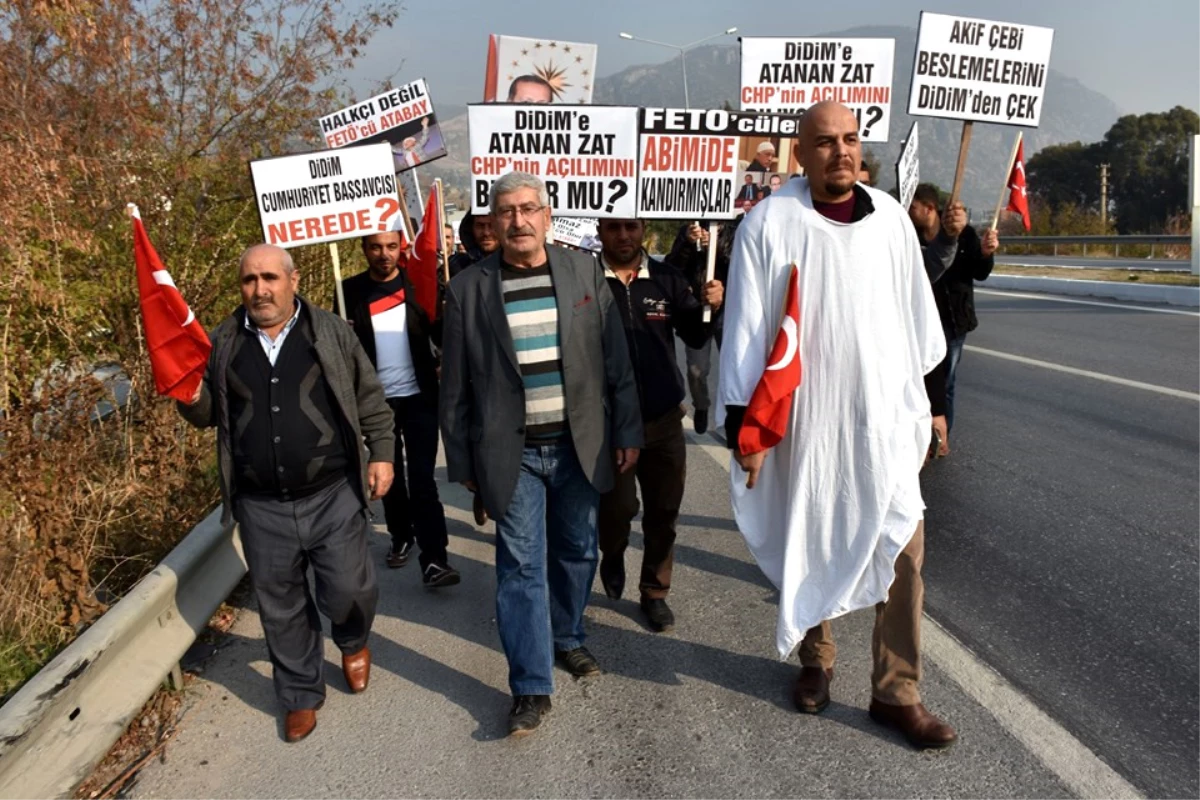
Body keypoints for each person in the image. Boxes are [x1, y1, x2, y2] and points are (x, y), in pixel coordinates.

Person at [717, 102, 955, 749]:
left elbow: (917, 325)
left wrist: (932, 405)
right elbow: (745, 332)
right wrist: (747, 432)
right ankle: (817, 661)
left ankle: (896, 692)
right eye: (825, 142)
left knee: (904, 547)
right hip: (811, 425)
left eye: (850, 139)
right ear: (801, 153)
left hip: (884, 421)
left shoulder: (891, 225)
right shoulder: (769, 225)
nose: (841, 152)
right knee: (817, 528)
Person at [440, 172, 642, 736]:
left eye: (528, 209)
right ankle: (530, 684)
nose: (518, 220)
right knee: (521, 566)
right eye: (506, 211)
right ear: (494, 221)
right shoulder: (469, 289)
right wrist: (464, 467)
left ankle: (567, 636)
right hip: (513, 454)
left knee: (578, 550)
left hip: (582, 444)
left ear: (547, 216)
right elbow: (453, 387)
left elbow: (616, 363)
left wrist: (627, 432)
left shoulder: (583, 272)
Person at [177, 244, 395, 743]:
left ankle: (353, 638)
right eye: (250, 280)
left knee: (350, 588)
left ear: (293, 281)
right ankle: (299, 693)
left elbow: (370, 398)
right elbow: (208, 411)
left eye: (270, 278)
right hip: (261, 504)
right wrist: (188, 395)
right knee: (281, 604)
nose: (260, 289)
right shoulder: (224, 342)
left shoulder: (331, 333)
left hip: (332, 493)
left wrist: (381, 451)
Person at [595, 218, 723, 632]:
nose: (623, 236)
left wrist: (710, 307)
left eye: (631, 227)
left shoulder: (667, 278)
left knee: (664, 510)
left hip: (664, 418)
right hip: (610, 422)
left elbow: (696, 337)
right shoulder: (584, 280)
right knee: (616, 510)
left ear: (643, 228)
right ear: (600, 230)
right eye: (614, 228)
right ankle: (611, 555)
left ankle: (654, 591)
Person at [337, 232, 460, 586]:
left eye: (392, 247)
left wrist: (449, 318)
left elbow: (443, 337)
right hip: (376, 404)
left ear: (402, 249)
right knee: (389, 478)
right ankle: (400, 535)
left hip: (419, 398)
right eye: (375, 247)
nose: (384, 254)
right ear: (364, 249)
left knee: (423, 480)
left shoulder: (420, 286)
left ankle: (435, 558)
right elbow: (336, 348)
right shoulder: (348, 292)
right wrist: (340, 332)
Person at [908, 183, 999, 433]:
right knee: (917, 379)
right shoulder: (908, 237)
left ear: (929, 208)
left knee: (945, 381)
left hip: (953, 322)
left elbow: (980, 273)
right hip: (921, 321)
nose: (908, 211)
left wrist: (985, 253)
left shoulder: (965, 234)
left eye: (913, 207)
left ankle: (940, 432)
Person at [664, 217, 739, 435]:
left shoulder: (735, 231)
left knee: (734, 366)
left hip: (727, 309)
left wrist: (716, 247)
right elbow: (671, 267)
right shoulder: (687, 231)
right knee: (696, 371)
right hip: (696, 309)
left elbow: (740, 265)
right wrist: (687, 243)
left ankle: (733, 419)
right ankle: (702, 405)